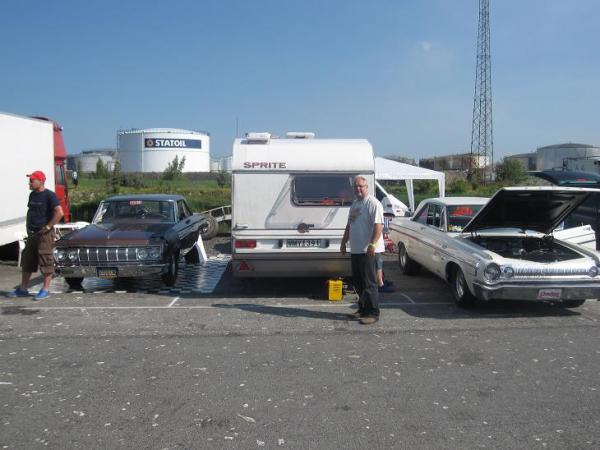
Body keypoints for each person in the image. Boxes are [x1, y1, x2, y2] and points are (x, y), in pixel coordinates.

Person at [7, 171, 63, 300]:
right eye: (30, 180)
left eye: (32, 180)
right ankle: (23, 289)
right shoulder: (32, 195)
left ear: (41, 181)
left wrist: (48, 227)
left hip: (45, 235)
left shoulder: (50, 195)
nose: (30, 183)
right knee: (27, 260)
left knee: (45, 260)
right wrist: (28, 228)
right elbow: (30, 212)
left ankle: (45, 290)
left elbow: (59, 213)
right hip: (32, 234)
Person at [340, 176, 385, 324]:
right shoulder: (355, 204)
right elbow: (349, 225)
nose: (358, 189)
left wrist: (372, 244)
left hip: (369, 251)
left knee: (369, 283)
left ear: (367, 187)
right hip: (356, 249)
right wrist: (343, 241)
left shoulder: (373, 203)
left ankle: (373, 313)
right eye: (356, 187)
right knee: (359, 282)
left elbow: (379, 225)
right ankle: (362, 309)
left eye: (361, 186)